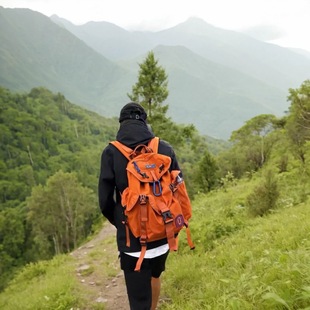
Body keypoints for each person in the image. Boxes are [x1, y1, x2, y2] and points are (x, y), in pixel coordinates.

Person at [98, 102, 188, 310]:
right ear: (145, 122)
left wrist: (121, 221)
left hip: (132, 242)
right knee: (155, 276)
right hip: (164, 234)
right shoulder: (164, 148)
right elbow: (178, 189)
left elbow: (104, 201)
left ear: (121, 123)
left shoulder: (111, 152)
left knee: (138, 301)